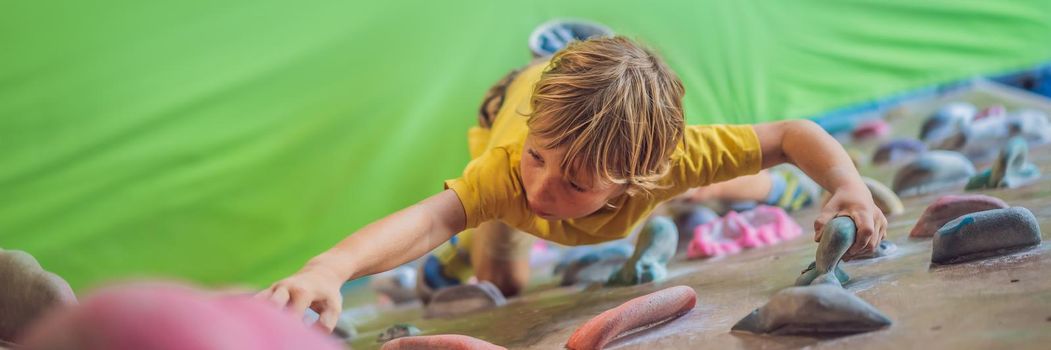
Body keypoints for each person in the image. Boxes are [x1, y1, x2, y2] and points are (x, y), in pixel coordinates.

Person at [258, 35, 887, 332]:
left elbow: (791, 134)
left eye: (576, 183)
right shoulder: (510, 169)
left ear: (638, 175)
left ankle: (775, 195)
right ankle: (453, 265)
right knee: (501, 277)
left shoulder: (673, 159)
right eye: (540, 160)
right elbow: (431, 217)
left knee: (706, 182)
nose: (543, 189)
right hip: (511, 103)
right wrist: (330, 267)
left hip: (634, 158)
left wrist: (846, 184)